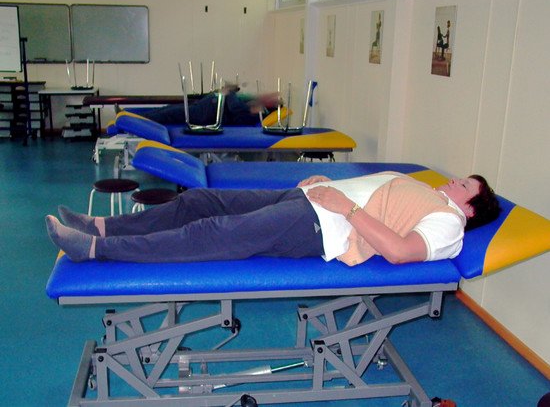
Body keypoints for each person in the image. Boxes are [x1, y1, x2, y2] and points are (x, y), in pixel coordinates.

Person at [45, 171, 501, 265]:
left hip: (322, 226)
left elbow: (400, 252)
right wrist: (329, 185)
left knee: (212, 233)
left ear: (470, 207)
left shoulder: (449, 224)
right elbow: (379, 197)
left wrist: (346, 207)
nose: (454, 180)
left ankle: (97, 249)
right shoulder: (426, 190)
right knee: (199, 201)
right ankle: (101, 225)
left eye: (464, 184)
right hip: (307, 199)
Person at [141, 87, 280, 126]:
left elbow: (235, 108)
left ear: (271, 104)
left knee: (167, 114)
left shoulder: (260, 111)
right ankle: (138, 118)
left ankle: (139, 121)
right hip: (205, 107)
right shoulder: (256, 103)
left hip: (205, 114)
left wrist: (229, 92)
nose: (266, 95)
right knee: (166, 110)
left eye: (270, 97)